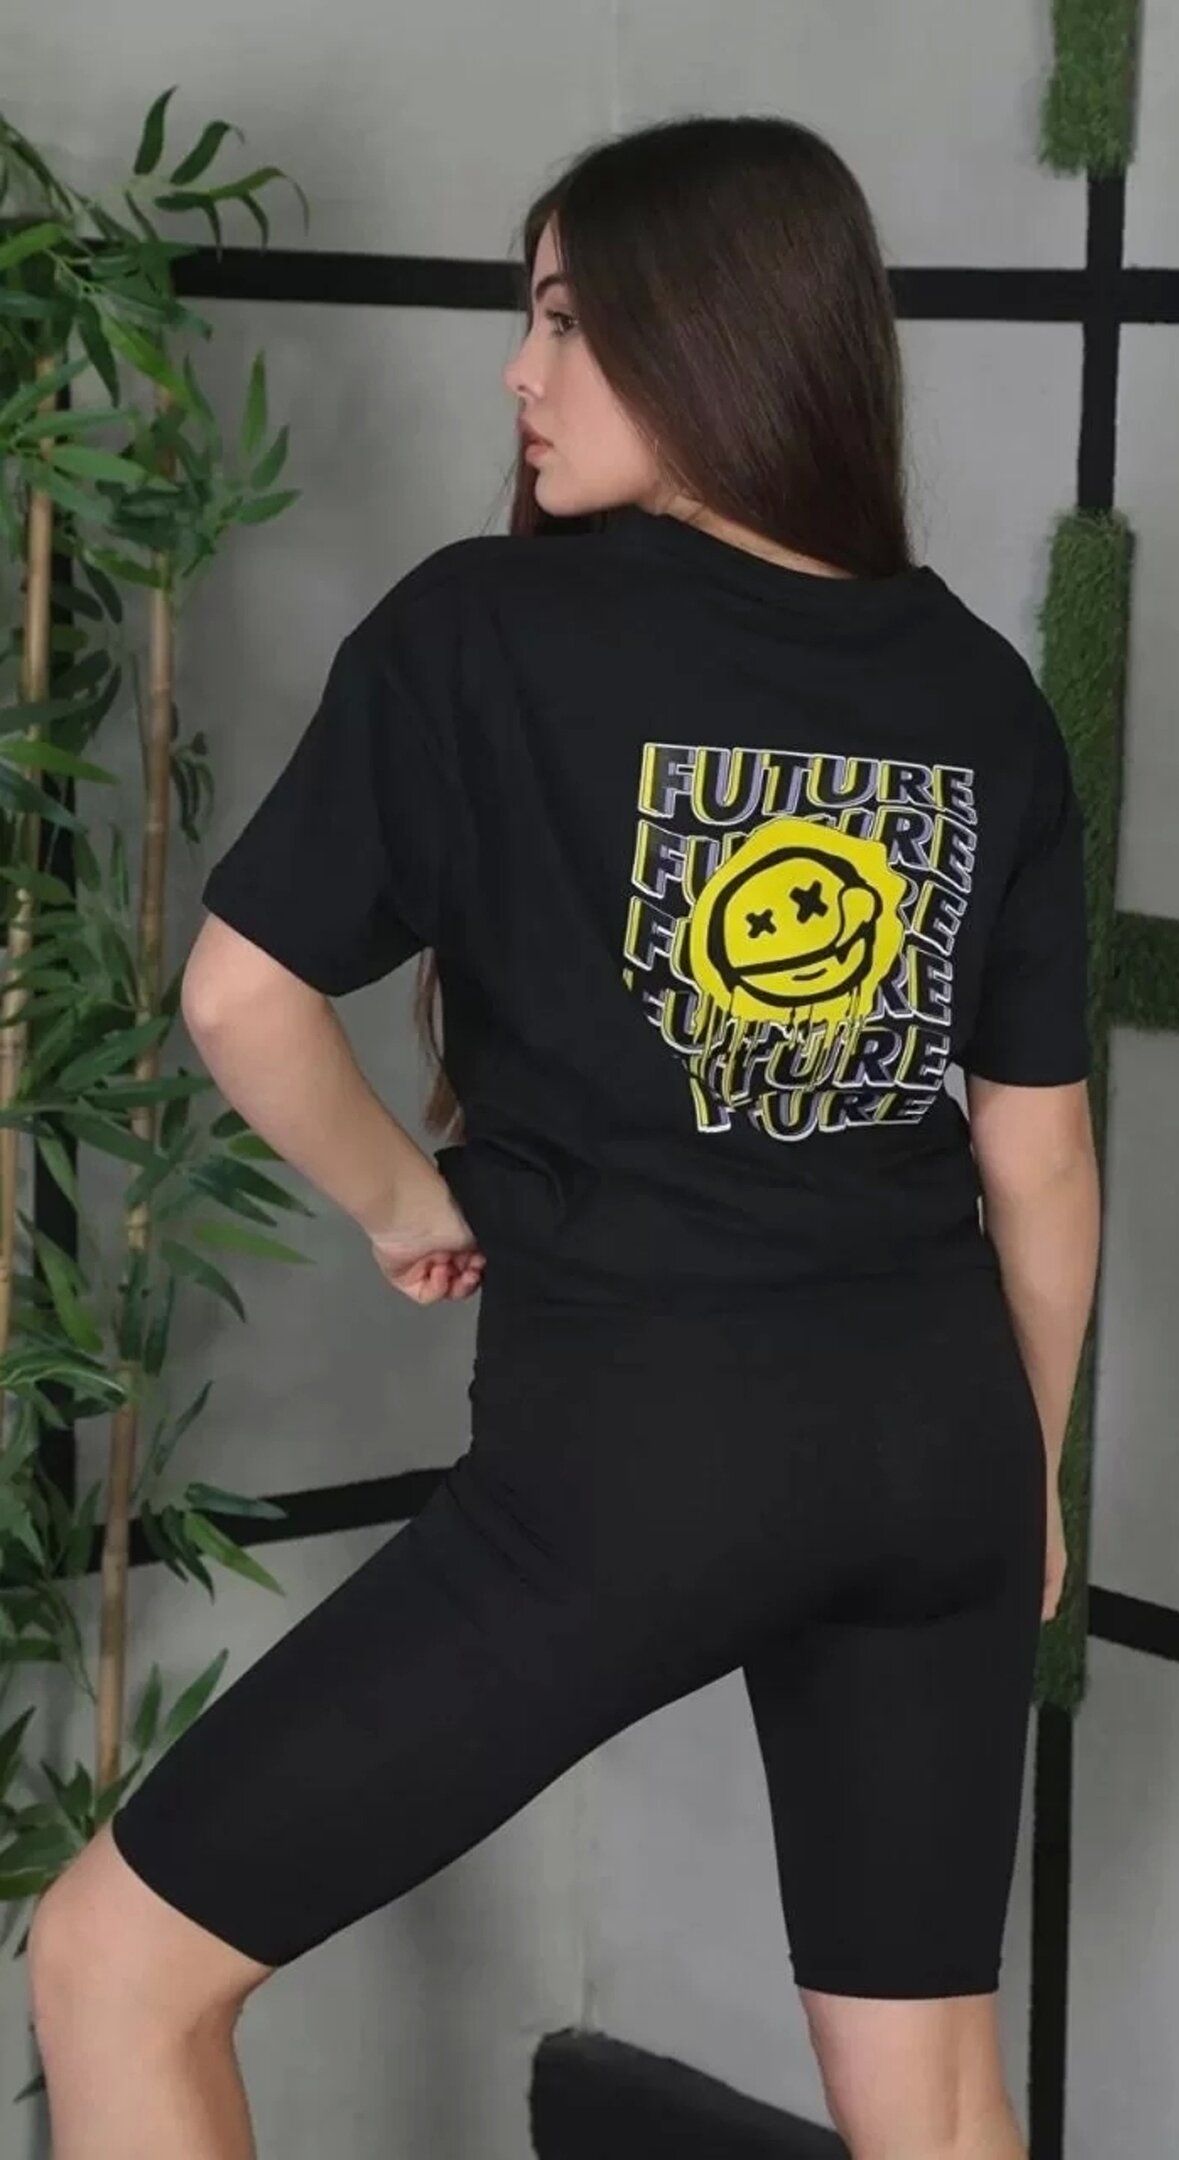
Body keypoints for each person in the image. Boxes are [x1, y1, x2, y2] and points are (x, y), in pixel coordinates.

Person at [28, 113, 1101, 2160]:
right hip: (940, 1439)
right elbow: (1037, 1156)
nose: (520, 375)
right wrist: (1029, 1479)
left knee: (111, 1967)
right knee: (940, 2102)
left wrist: (399, 1201)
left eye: (564, 321)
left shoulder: (484, 632)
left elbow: (241, 998)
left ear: (712, 335)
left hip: (643, 1460)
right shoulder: (981, 691)